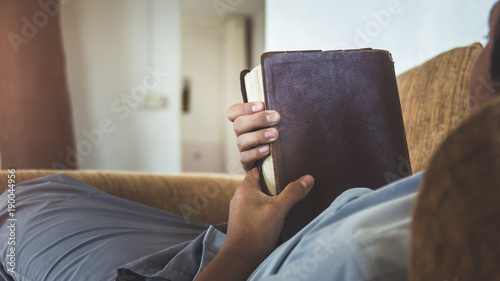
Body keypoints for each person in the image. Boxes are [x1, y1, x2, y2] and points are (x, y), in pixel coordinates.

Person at [1, 2, 500, 281]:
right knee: (52, 190)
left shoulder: (372, 253)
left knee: (21, 205)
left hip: (229, 262)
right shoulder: (456, 181)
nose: (480, 55)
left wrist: (239, 249)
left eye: (491, 34)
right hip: (237, 244)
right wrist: (271, 167)